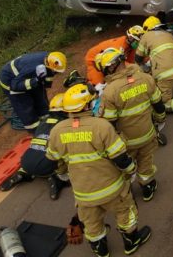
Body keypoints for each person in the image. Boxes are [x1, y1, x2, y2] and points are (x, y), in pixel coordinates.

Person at [46, 84, 151, 257]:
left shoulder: (57, 131)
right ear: (87, 105)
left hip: (83, 194)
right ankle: (131, 242)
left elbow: (54, 160)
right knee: (125, 213)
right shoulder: (102, 126)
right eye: (93, 101)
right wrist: (131, 170)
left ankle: (101, 251)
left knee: (92, 224)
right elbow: (120, 158)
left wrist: (63, 174)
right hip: (112, 188)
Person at [96, 48, 165, 202]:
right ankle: (147, 187)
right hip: (148, 135)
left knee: (125, 169)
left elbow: (109, 124)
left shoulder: (110, 92)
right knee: (146, 163)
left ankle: (127, 192)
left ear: (111, 67)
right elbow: (158, 104)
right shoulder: (145, 78)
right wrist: (161, 121)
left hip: (126, 142)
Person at [0, 93, 71, 200]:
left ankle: (22, 173)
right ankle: (58, 178)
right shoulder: (65, 125)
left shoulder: (43, 122)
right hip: (46, 165)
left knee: (39, 147)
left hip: (25, 162)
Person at [0, 51, 67, 131]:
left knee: (40, 97)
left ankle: (45, 118)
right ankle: (35, 129)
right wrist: (36, 80)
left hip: (28, 76)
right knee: (25, 105)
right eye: (56, 72)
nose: (56, 73)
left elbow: (48, 75)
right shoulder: (32, 68)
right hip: (11, 81)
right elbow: (15, 86)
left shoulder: (50, 59)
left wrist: (44, 83)